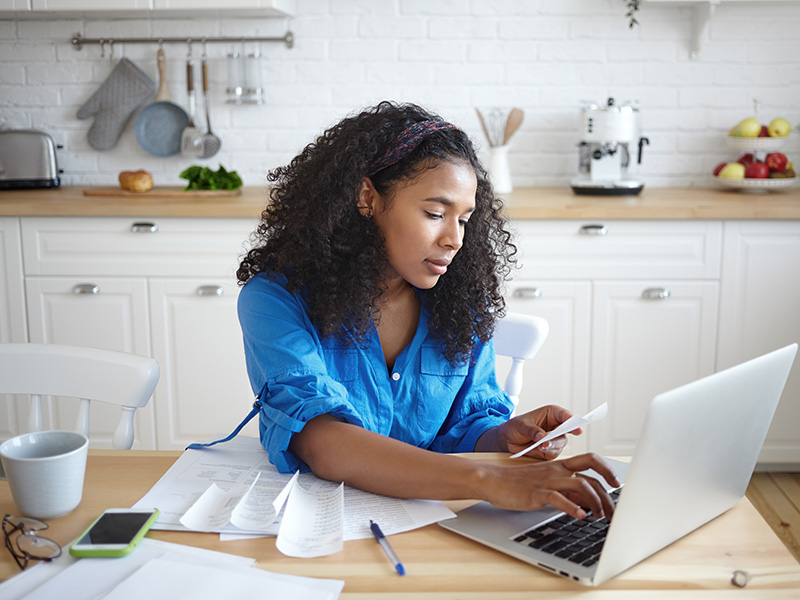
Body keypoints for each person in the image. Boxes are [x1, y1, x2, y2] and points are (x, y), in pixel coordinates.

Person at [236, 101, 619, 520]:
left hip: (434, 523)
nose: (454, 239)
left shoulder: (461, 307)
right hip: (318, 525)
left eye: (464, 219)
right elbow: (322, 443)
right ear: (368, 198)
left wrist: (503, 438)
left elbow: (464, 429)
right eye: (436, 213)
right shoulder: (275, 299)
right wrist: (490, 480)